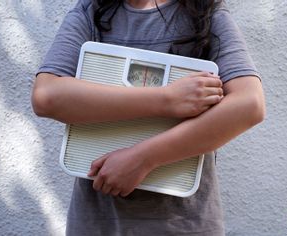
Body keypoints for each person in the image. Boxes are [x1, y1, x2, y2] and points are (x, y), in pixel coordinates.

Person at [31, 0, 265, 235]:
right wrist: (167, 100)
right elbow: (46, 96)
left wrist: (144, 158)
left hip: (184, 225)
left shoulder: (206, 11)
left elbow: (249, 104)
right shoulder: (91, 11)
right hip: (99, 223)